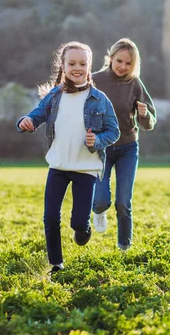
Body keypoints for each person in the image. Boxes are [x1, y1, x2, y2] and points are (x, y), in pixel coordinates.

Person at [16, 41, 120, 273]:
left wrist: (98, 141)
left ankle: (83, 230)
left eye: (83, 63)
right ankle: (56, 263)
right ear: (63, 66)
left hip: (86, 169)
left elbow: (114, 131)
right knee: (50, 217)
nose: (77, 67)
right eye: (72, 63)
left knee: (78, 223)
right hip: (59, 166)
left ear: (89, 66)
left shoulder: (99, 99)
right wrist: (27, 122)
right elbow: (36, 115)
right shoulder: (55, 96)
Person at [91, 38, 156, 251]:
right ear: (110, 58)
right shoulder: (94, 81)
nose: (123, 67)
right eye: (119, 61)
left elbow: (149, 124)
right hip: (101, 148)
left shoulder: (135, 84)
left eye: (128, 63)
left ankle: (124, 246)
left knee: (123, 202)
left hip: (128, 148)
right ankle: (98, 211)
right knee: (100, 200)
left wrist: (145, 115)